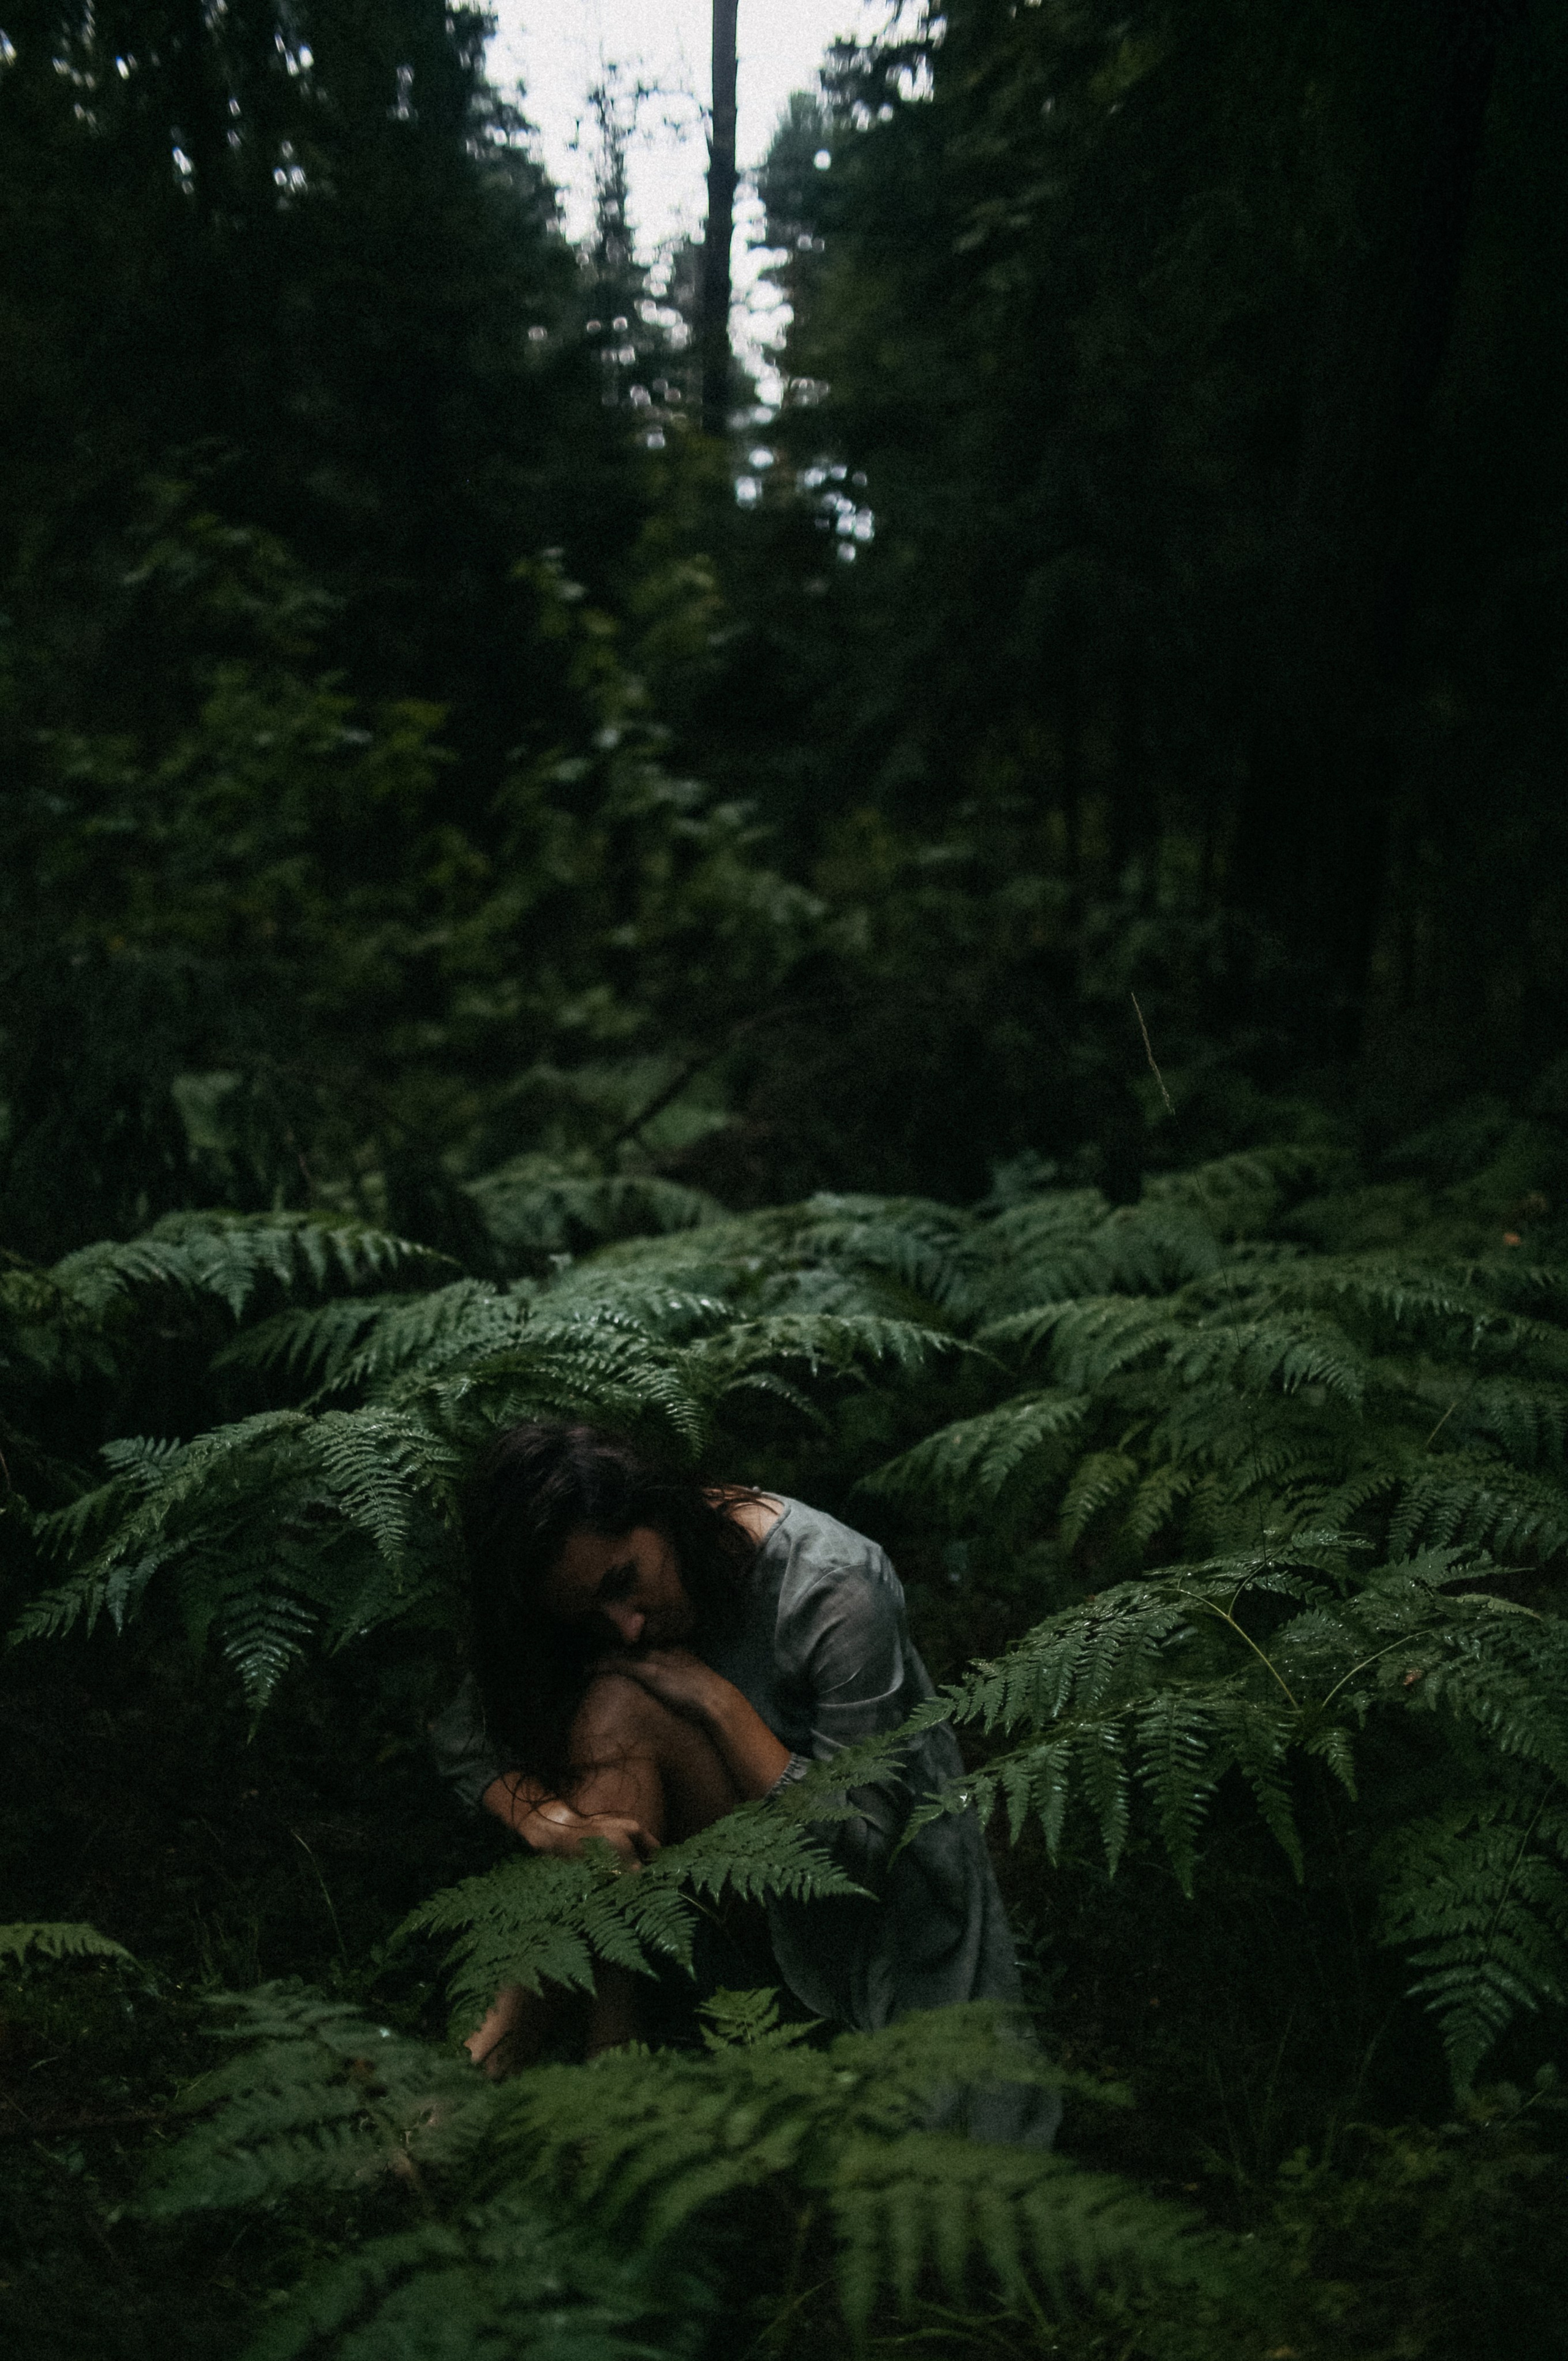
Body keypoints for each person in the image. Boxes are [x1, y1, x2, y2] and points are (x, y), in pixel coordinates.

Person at [430, 1420, 1057, 2142]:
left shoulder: (831, 1585)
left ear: (662, 1510)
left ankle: (498, 2069)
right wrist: (550, 1824)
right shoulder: (608, 1606)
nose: (625, 1628)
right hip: (717, 1912)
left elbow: (858, 1846)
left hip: (868, 1919)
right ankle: (601, 2071)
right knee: (617, 1715)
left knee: (618, 1708)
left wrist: (719, 1704)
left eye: (623, 1582)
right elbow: (458, 1732)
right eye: (590, 1615)